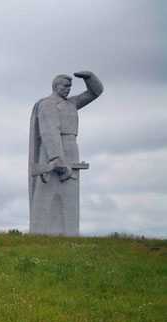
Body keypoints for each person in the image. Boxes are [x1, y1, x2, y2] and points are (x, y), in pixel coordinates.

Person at [29, 71, 103, 235]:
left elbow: (95, 93)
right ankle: (40, 233)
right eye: (65, 86)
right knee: (46, 193)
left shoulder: (71, 103)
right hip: (52, 150)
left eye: (70, 87)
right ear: (56, 86)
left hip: (71, 147)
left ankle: (70, 234)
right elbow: (49, 131)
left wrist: (89, 78)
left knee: (70, 194)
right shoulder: (48, 104)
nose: (68, 89)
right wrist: (56, 157)